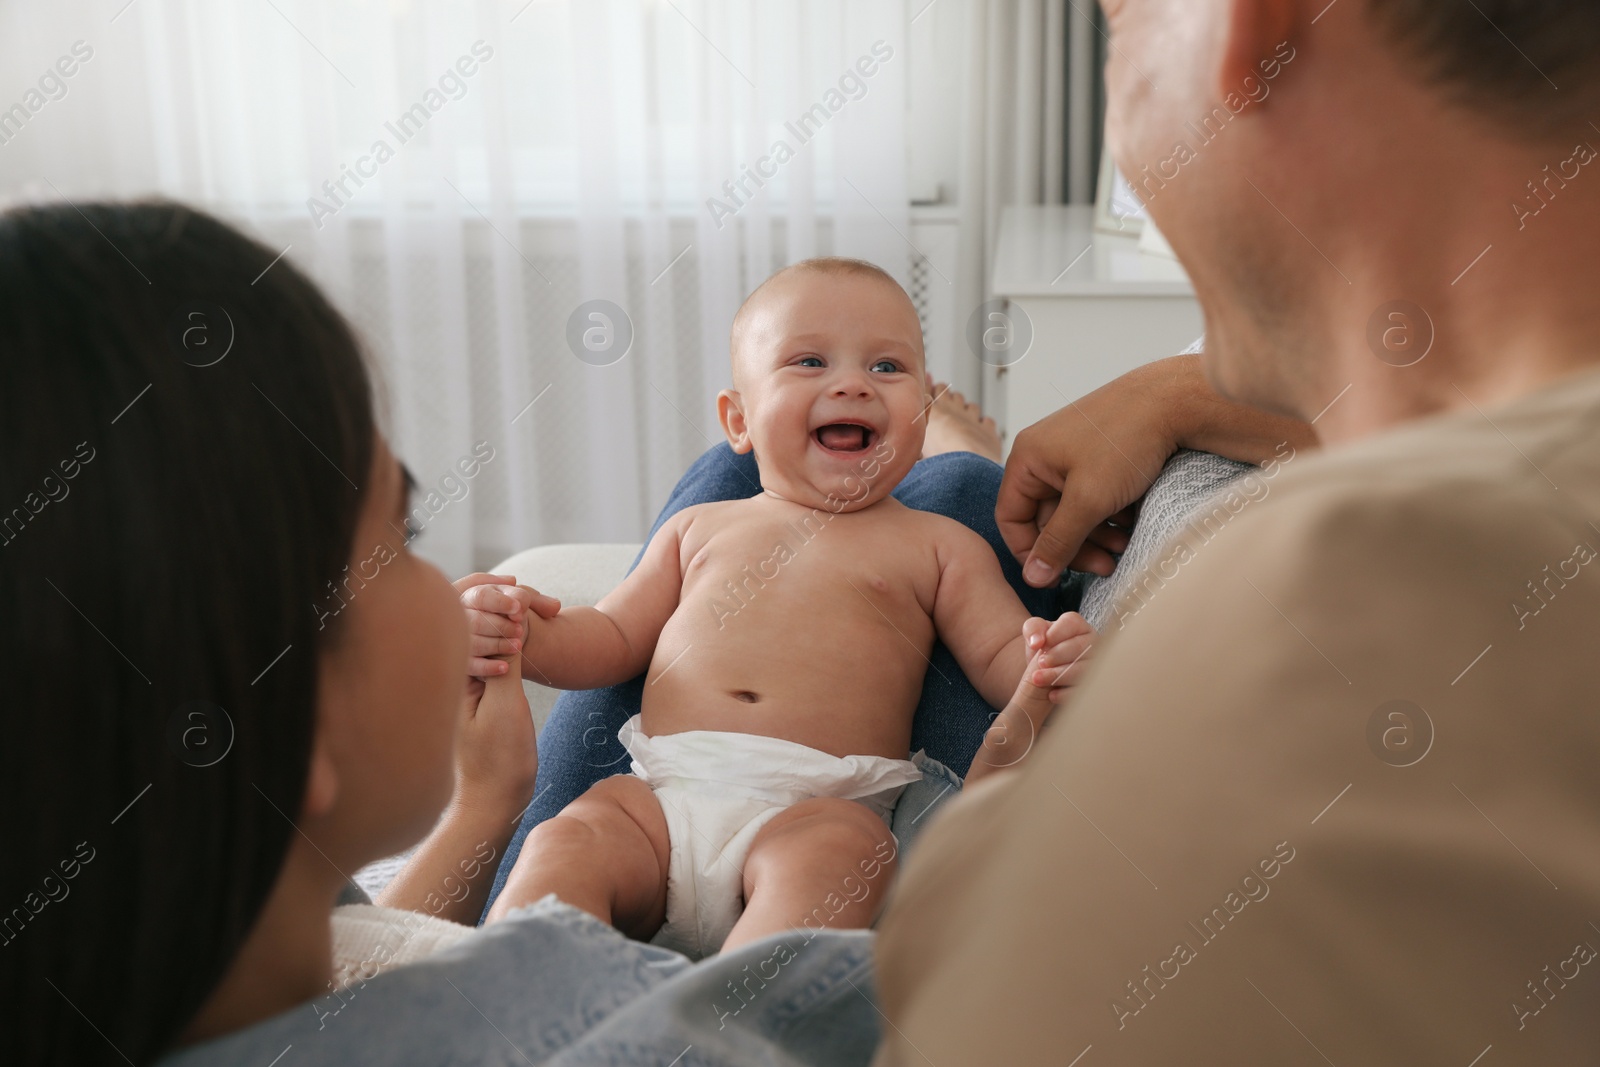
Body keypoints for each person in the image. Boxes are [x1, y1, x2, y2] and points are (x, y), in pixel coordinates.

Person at [873, 0, 1600, 1062]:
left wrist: (976, 844)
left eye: (1118, 21)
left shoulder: (1345, 587)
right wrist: (1181, 394)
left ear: (1244, 27)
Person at [0, 200, 890, 1067]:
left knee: (732, 484)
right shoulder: (590, 1004)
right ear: (290, 728)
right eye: (403, 535)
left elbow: (361, 938)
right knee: (852, 486)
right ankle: (956, 450)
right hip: (715, 840)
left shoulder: (217, 932)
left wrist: (487, 800)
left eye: (885, 370)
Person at [464, 258, 1093, 959]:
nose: (852, 382)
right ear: (738, 419)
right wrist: (522, 632)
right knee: (566, 839)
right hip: (662, 799)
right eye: (810, 360)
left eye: (888, 367)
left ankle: (733, 1015)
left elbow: (999, 654)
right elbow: (610, 636)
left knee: (845, 860)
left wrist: (1046, 662)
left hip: (820, 805)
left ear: (921, 412)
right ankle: (513, 979)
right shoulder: (700, 526)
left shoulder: (940, 545)